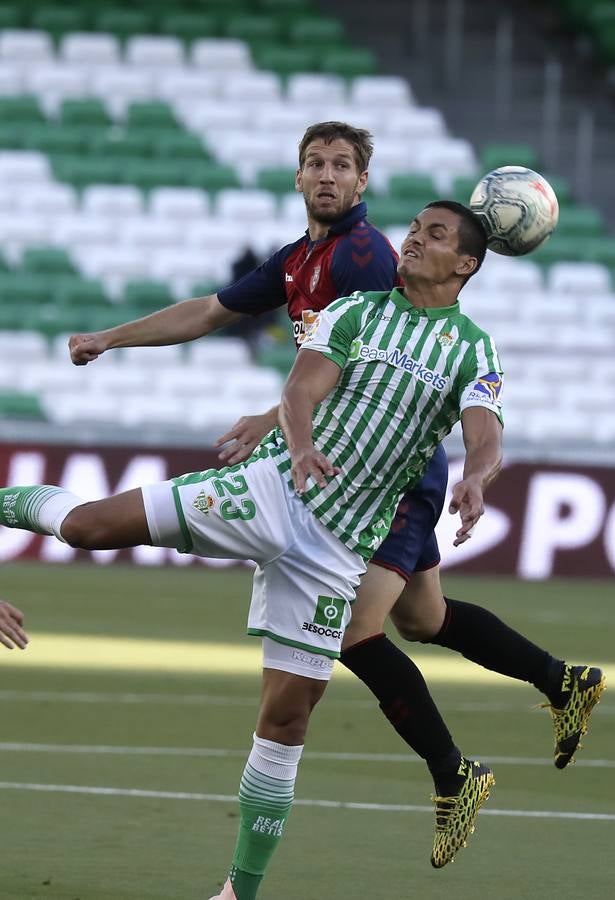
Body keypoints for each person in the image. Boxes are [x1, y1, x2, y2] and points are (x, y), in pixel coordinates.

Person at [66, 122, 604, 801]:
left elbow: (387, 358)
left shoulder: (366, 260)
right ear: (297, 177)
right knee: (424, 620)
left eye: (341, 165)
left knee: (354, 633)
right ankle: (562, 682)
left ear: (361, 183)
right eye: (314, 163)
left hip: (387, 477)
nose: (326, 175)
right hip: (351, 467)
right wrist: (110, 338)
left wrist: (285, 418)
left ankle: (453, 776)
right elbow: (210, 310)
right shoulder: (300, 257)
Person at [2, 199, 504, 898]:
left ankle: (238, 893)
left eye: (435, 235)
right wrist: (298, 447)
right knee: (89, 527)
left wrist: (477, 479)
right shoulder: (355, 314)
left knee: (286, 718)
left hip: (335, 549)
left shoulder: (474, 350)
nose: (415, 240)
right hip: (268, 490)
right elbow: (300, 388)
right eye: (415, 229)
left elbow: (483, 432)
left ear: (466, 263)